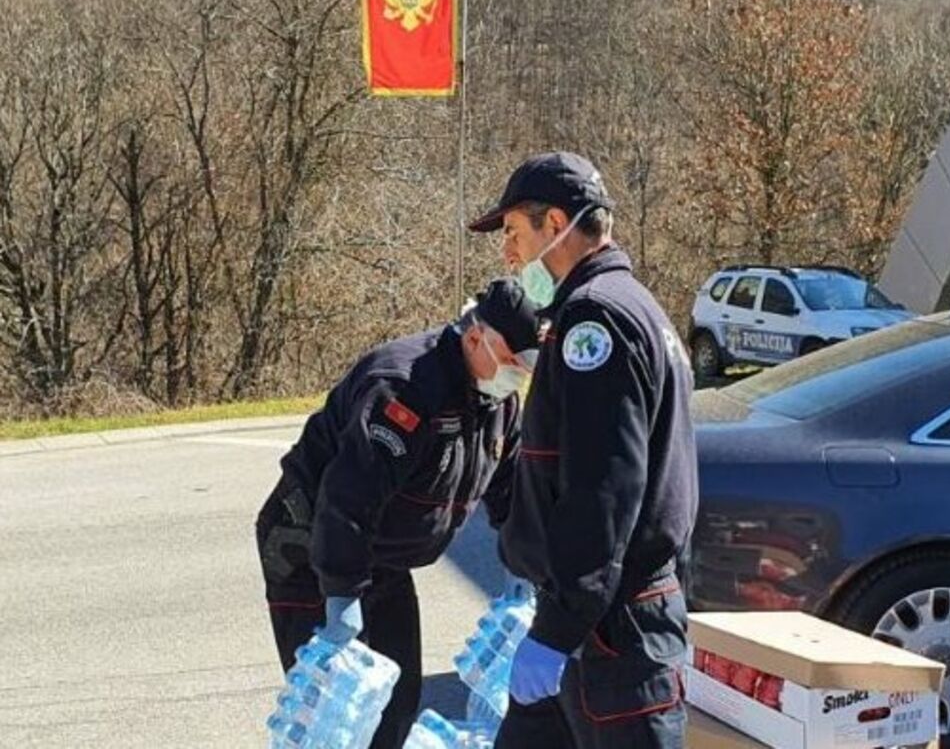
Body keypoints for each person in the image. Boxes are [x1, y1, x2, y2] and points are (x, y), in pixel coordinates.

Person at [468, 152, 699, 749]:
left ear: (557, 223)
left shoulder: (597, 321)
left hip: (610, 634)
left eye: (514, 232)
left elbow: (605, 489)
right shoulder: (631, 306)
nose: (509, 253)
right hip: (597, 621)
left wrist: (558, 629)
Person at [254, 279, 540, 748]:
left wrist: (523, 569)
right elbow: (347, 499)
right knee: (337, 715)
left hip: (382, 556)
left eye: (525, 369)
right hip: (311, 547)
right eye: (513, 363)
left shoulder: (499, 403)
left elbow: (512, 494)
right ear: (475, 337)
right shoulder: (404, 388)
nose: (518, 377)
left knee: (398, 701)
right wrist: (341, 598)